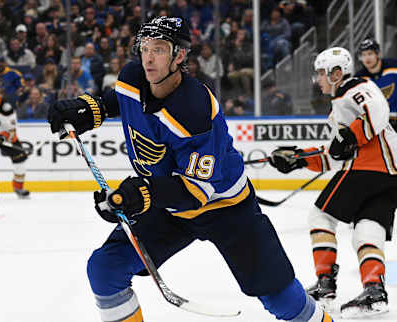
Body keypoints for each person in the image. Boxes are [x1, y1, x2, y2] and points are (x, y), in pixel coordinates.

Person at [47, 16, 333, 322]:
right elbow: (120, 100)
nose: (149, 57)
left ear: (180, 56)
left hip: (226, 208)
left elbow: (195, 192)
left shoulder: (194, 110)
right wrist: (90, 110)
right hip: (168, 205)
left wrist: (140, 193)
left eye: (159, 49)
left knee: (281, 299)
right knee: (105, 269)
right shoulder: (133, 77)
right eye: (144, 48)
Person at [269, 47, 396, 317]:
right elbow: (338, 154)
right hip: (388, 177)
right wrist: (299, 159)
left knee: (320, 217)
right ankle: (375, 290)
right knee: (367, 231)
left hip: (367, 171)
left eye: (321, 73)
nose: (319, 79)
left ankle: (325, 284)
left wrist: (350, 137)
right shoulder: (343, 106)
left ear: (336, 73)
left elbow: (378, 110)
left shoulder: (353, 87)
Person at [354, 39, 397, 131]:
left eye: (370, 54)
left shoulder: (394, 66)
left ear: (378, 54)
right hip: (377, 127)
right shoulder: (358, 78)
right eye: (363, 55)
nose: (367, 58)